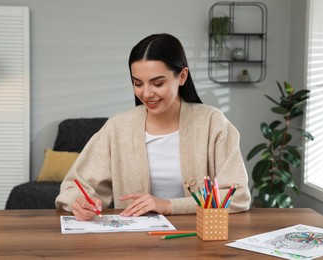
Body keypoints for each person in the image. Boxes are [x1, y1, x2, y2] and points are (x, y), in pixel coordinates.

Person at [55, 33, 251, 220]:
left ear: (182, 76)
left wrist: (168, 205)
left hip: (198, 239)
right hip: (135, 244)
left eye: (157, 83)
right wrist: (79, 203)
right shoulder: (118, 127)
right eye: (138, 83)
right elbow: (74, 186)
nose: (146, 93)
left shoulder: (213, 123)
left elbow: (238, 195)